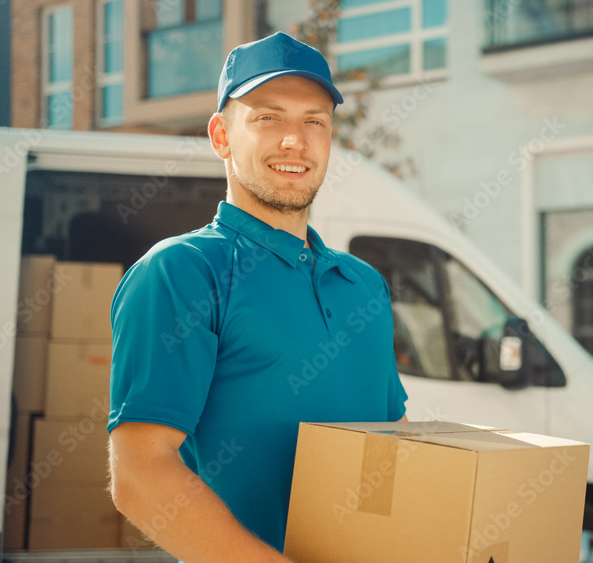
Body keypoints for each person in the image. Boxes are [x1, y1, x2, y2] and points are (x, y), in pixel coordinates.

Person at [107, 32, 408, 562]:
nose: (295, 140)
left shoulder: (365, 285)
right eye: (269, 118)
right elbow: (140, 474)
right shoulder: (182, 272)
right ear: (221, 136)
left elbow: (392, 449)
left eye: (314, 120)